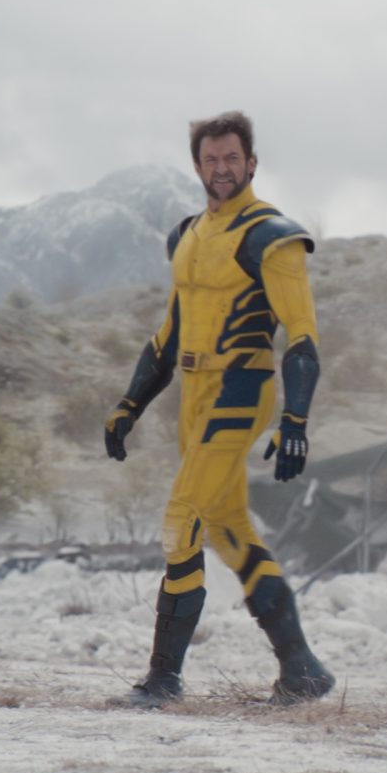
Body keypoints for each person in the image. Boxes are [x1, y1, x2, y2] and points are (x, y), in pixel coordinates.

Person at [103, 110, 333, 708]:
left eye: (232, 157)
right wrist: (130, 403)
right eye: (211, 159)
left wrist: (296, 420)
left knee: (181, 520)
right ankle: (301, 669)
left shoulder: (271, 236)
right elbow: (170, 334)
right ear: (198, 166)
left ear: (251, 163)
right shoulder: (186, 237)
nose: (222, 168)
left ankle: (163, 679)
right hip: (193, 391)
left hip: (242, 387)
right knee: (229, 531)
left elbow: (302, 336)